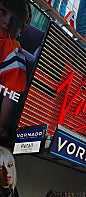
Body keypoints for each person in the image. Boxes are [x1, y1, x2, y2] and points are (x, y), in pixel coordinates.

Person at [0, 0, 32, 144]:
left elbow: (11, 94)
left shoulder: (11, 51)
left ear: (22, 30)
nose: (6, 22)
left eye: (14, 21)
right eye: (2, 12)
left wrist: (2, 127)